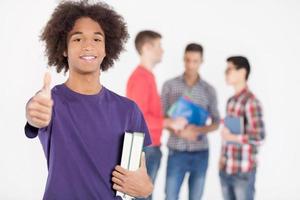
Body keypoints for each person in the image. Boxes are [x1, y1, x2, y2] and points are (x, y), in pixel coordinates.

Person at [24, 1, 153, 199]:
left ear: (106, 48)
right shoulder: (49, 102)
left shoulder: (128, 110)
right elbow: (35, 116)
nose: (88, 46)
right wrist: (33, 113)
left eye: (96, 39)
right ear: (64, 48)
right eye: (77, 39)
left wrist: (146, 189)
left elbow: (139, 178)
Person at [162, 43, 220, 200]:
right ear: (183, 59)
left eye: (195, 61)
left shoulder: (209, 90)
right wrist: (178, 130)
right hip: (176, 151)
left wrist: (198, 130)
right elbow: (161, 117)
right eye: (187, 60)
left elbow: (216, 121)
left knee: (196, 197)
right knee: (170, 196)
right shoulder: (170, 85)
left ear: (202, 61)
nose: (190, 65)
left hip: (200, 153)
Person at [219, 56, 265, 200]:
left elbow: (259, 137)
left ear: (242, 72)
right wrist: (221, 157)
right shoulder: (231, 101)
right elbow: (228, 133)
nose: (225, 73)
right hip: (226, 168)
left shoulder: (251, 102)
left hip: (243, 171)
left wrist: (233, 138)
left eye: (229, 69)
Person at [126, 30, 164, 200]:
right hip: (145, 148)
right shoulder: (141, 78)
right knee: (142, 197)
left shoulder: (148, 76)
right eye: (159, 46)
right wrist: (170, 122)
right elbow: (140, 120)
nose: (162, 50)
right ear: (147, 47)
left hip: (149, 147)